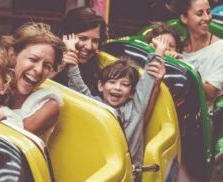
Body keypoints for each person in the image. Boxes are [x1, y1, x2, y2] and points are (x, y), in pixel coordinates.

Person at [65, 35, 166, 172]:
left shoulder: (135, 107)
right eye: (112, 82)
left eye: (124, 84)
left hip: (128, 174)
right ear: (101, 86)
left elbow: (148, 79)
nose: (117, 88)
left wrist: (158, 52)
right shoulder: (95, 105)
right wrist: (71, 55)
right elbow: (78, 86)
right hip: (101, 169)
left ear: (131, 92)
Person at [175, 0, 223, 111]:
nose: (207, 18)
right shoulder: (177, 47)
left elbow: (210, 93)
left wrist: (190, 71)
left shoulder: (220, 48)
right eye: (200, 13)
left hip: (201, 119)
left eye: (208, 12)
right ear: (184, 18)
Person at [51, 6, 108, 96]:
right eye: (82, 38)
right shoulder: (46, 56)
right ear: (65, 36)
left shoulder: (97, 68)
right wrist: (58, 67)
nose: (89, 47)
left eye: (95, 41)